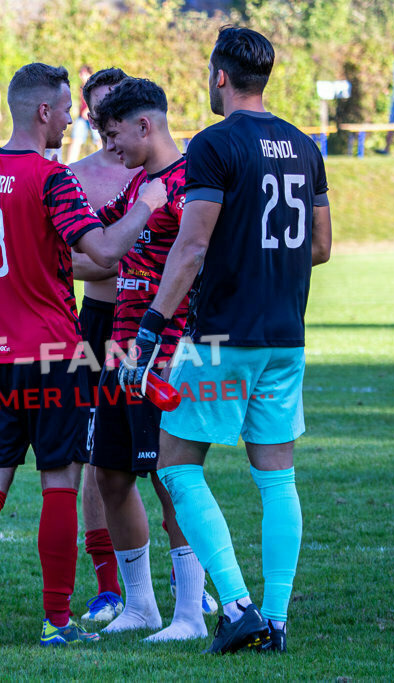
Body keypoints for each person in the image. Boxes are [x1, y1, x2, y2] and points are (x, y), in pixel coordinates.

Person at [120, 26, 332, 655]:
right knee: (276, 479)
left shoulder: (213, 144)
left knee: (177, 465)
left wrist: (152, 327)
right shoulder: (304, 145)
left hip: (222, 335)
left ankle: (236, 605)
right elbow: (319, 246)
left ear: (219, 77)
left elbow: (190, 246)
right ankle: (277, 618)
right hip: (285, 335)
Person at [0, 61, 167, 648]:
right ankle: (55, 622)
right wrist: (147, 204)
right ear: (43, 111)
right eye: (67, 109)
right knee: (59, 483)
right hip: (55, 351)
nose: (74, 118)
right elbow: (100, 252)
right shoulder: (53, 179)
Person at [91, 76, 214, 643]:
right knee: (112, 474)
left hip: (167, 352)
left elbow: (196, 261)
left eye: (113, 135)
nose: (109, 147)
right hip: (120, 349)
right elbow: (103, 242)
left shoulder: (193, 182)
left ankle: (190, 613)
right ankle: (141, 607)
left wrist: (163, 337)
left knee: (172, 477)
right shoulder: (142, 185)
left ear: (146, 125)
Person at [68, 67, 139, 626]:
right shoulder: (74, 178)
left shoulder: (172, 170)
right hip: (100, 318)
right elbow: (61, 258)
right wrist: (110, 256)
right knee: (97, 454)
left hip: (160, 321)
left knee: (172, 455)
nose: (109, 118)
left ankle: (183, 580)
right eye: (99, 110)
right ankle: (108, 585)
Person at [66, 65, 98, 163]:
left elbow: (98, 100)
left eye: (84, 73)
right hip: (82, 118)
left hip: (94, 116)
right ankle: (70, 163)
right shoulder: (82, 86)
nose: (81, 76)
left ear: (90, 74)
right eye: (81, 73)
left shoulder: (94, 86)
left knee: (99, 140)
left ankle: (105, 162)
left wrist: (89, 109)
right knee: (76, 139)